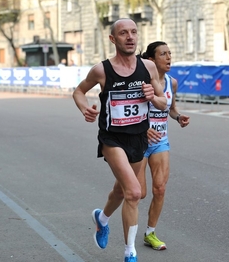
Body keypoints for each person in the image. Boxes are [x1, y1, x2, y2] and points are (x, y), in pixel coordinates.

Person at [72, 18, 167, 262]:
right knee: (134, 193)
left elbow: (162, 102)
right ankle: (130, 253)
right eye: (123, 33)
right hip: (112, 139)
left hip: (138, 137)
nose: (130, 37)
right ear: (113, 39)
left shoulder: (148, 67)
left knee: (121, 190)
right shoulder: (102, 70)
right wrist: (85, 109)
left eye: (134, 32)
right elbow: (79, 91)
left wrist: (152, 97)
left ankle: (101, 219)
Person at [137, 41, 189, 250]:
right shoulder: (141, 82)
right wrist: (143, 128)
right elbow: (129, 111)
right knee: (138, 193)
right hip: (139, 141)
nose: (168, 58)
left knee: (159, 188)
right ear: (151, 60)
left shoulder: (172, 83)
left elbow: (171, 108)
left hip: (160, 141)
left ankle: (150, 233)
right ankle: (108, 213)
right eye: (163, 54)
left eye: (170, 53)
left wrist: (178, 117)